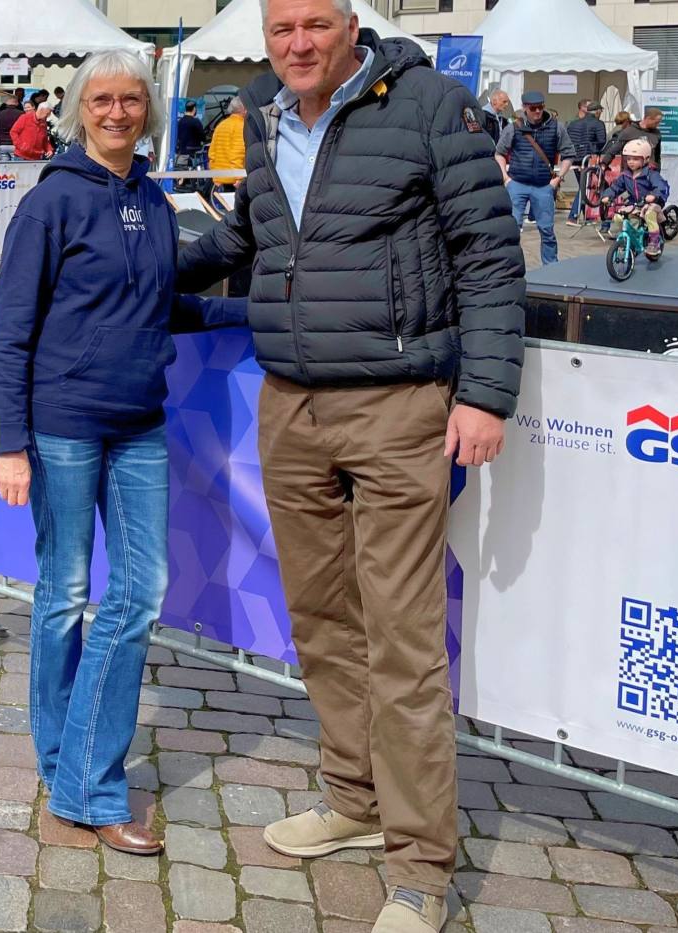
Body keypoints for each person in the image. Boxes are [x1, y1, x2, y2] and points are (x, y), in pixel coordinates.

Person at [175, 0, 524, 928]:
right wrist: (133, 273)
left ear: (349, 25)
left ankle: (420, 866)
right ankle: (355, 799)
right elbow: (247, 239)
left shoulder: (426, 104)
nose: (297, 45)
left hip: (397, 404)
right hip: (291, 403)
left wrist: (487, 393)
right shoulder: (262, 118)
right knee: (323, 620)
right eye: (280, 29)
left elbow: (489, 255)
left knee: (403, 639)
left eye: (314, 26)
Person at [0, 46, 242, 863]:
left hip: (138, 424)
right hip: (63, 423)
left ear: (149, 111)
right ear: (79, 110)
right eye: (101, 100)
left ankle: (78, 774)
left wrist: (256, 315)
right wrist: (10, 442)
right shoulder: (51, 203)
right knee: (64, 595)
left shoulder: (153, 202)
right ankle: (78, 780)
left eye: (131, 99)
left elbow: (162, 304)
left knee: (139, 593)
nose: (117, 112)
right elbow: (10, 328)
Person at [494, 90, 573, 267]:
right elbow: (499, 153)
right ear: (525, 108)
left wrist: (558, 178)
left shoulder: (556, 127)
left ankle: (551, 267)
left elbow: (569, 154)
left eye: (540, 107)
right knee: (512, 229)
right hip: (517, 184)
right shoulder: (514, 127)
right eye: (533, 108)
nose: (537, 111)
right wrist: (506, 178)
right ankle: (509, 266)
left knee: (547, 230)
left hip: (544, 186)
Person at [604, 139, 669, 259]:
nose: (631, 162)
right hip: (635, 202)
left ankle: (654, 242)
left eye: (635, 159)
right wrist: (607, 195)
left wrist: (654, 195)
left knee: (649, 215)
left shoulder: (651, 174)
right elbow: (616, 187)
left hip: (652, 202)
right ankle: (625, 238)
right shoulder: (625, 175)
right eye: (628, 159)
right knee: (619, 216)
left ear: (646, 159)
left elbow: (661, 186)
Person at [564, 100, 607, 226]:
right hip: (589, 157)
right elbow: (602, 141)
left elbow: (568, 139)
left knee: (583, 186)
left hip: (575, 158)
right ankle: (573, 216)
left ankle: (588, 216)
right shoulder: (598, 123)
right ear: (597, 111)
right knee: (585, 187)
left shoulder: (573, 123)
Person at [206, 98, 245, 177]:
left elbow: (212, 153)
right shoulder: (241, 126)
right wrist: (239, 177)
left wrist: (214, 175)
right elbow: (238, 154)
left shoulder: (220, 125)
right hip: (233, 178)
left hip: (218, 175)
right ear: (243, 109)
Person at [0, 92, 26, 159]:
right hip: (16, 143)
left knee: (4, 165)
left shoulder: (0, 114)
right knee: (17, 165)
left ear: (6, 103)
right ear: (17, 103)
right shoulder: (21, 114)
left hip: (3, 143)